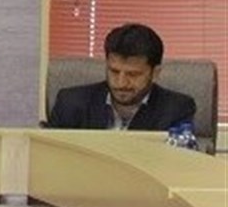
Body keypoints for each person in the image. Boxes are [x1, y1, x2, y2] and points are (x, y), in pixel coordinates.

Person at [46, 23, 195, 130]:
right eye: (114, 71)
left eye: (133, 74)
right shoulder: (71, 103)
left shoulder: (176, 109)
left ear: (155, 73)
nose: (121, 83)